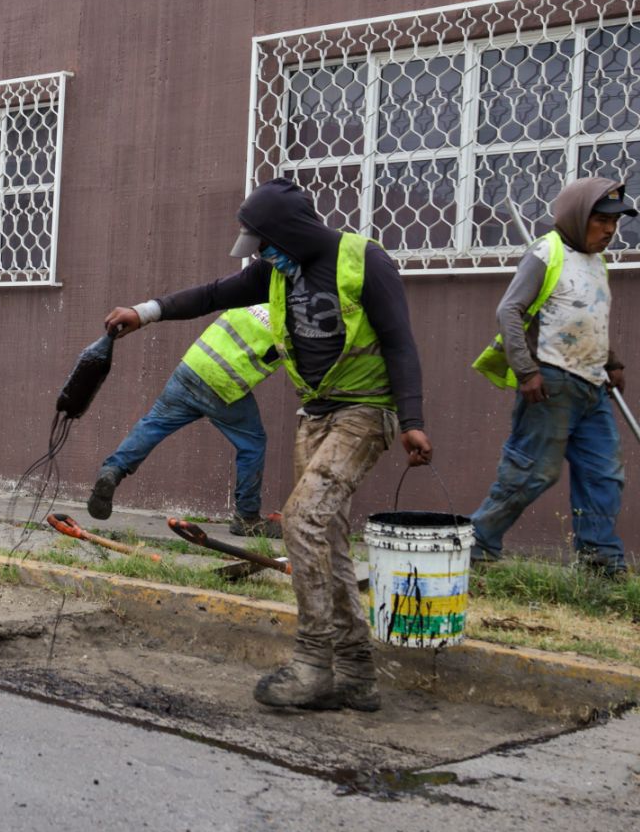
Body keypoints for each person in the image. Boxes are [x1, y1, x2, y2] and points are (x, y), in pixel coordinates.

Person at [104, 178, 432, 712]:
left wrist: (412, 419)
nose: (263, 258)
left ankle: (312, 663)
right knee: (327, 542)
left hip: (365, 413)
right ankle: (355, 675)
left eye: (266, 246)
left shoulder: (364, 260)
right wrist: (145, 312)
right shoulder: (278, 272)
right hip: (317, 417)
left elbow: (399, 341)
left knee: (301, 521)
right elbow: (212, 294)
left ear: (292, 232)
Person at [470, 178, 631, 577]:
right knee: (533, 472)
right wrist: (526, 371)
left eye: (614, 222)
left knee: (604, 474)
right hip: (551, 381)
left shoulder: (598, 263)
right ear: (578, 216)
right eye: (600, 220)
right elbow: (509, 311)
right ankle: (476, 547)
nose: (609, 230)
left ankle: (600, 564)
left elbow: (587, 316)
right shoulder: (547, 252)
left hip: (593, 388)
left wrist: (612, 361)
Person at [88, 305, 283, 539]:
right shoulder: (293, 324)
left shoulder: (258, 302)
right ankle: (247, 518)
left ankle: (113, 470)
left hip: (191, 366)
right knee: (253, 443)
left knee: (154, 423)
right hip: (224, 383)